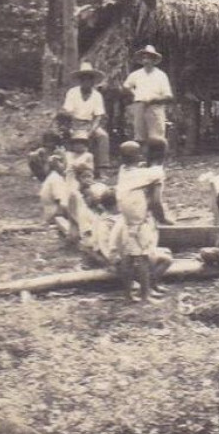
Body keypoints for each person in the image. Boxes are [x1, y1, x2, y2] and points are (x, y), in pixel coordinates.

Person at [113, 139, 174, 302]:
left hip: (126, 221)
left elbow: (140, 172)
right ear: (139, 156)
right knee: (143, 258)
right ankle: (145, 295)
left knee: (127, 257)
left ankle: (127, 295)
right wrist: (163, 218)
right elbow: (155, 201)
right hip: (139, 222)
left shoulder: (123, 171)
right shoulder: (153, 174)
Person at [123, 45, 173, 154]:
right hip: (140, 106)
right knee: (140, 136)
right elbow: (126, 86)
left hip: (155, 107)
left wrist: (154, 99)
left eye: (149, 57)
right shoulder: (136, 74)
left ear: (154, 60)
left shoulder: (161, 75)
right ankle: (143, 161)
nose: (146, 60)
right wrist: (135, 94)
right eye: (144, 57)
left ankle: (157, 161)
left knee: (157, 137)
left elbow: (168, 96)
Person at [61, 62, 111, 172]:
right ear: (80, 80)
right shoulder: (72, 92)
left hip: (90, 123)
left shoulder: (97, 95)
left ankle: (103, 168)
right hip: (74, 122)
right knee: (65, 134)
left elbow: (98, 116)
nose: (86, 82)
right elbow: (68, 112)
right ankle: (66, 165)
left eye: (89, 79)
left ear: (93, 81)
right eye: (84, 79)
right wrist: (72, 127)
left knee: (103, 136)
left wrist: (92, 130)